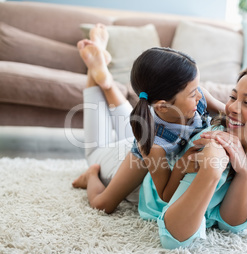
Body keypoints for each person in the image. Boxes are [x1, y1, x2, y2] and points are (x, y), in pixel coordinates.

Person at [137, 65, 247, 249]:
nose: (231, 107)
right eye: (233, 97)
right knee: (105, 191)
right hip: (144, 182)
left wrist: (244, 173)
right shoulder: (210, 145)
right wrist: (210, 172)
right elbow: (173, 239)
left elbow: (231, 224)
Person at [72, 24, 225, 213]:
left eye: (197, 88)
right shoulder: (153, 146)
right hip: (117, 160)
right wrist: (183, 163)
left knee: (138, 128)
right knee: (104, 203)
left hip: (139, 134)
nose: (200, 96)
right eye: (193, 93)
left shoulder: (192, 99)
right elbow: (166, 194)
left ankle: (106, 80)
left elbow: (230, 114)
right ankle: (94, 69)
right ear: (162, 105)